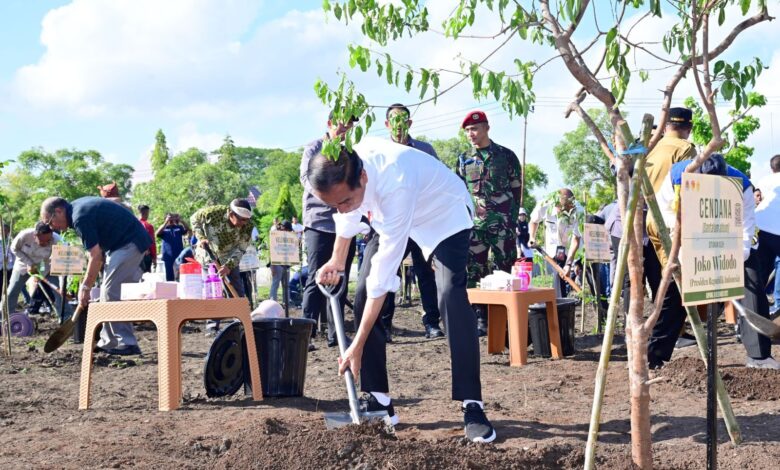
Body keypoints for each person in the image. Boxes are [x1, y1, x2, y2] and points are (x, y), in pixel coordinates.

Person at [311, 136, 496, 443]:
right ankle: (380, 401)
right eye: (334, 204)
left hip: (443, 214)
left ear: (363, 178)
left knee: (450, 294)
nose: (342, 208)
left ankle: (472, 404)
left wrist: (356, 343)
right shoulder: (345, 167)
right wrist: (337, 259)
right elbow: (346, 214)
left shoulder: (395, 181)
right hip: (393, 218)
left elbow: (383, 278)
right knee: (360, 295)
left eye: (345, 200)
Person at [656, 153, 778, 369]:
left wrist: (734, 261)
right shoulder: (676, 176)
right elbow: (662, 210)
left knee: (753, 285)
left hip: (729, 235)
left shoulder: (742, 185)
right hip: (685, 234)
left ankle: (759, 356)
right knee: (675, 290)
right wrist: (684, 242)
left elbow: (746, 228)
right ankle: (655, 356)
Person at [40, 196, 152, 355]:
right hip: (120, 246)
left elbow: (95, 255)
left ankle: (126, 343)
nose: (52, 227)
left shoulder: (80, 217)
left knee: (110, 292)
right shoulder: (77, 210)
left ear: (58, 211)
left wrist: (85, 287)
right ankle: (109, 341)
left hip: (129, 243)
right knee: (108, 293)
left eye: (50, 222)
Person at [457, 110, 522, 336]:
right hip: (474, 227)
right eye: (467, 131)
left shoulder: (506, 156)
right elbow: (458, 192)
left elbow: (516, 189)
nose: (470, 134)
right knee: (475, 271)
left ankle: (505, 318)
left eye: (474, 129)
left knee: (504, 270)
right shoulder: (463, 158)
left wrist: (511, 222)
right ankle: (480, 319)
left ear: (486, 128)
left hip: (502, 226)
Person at [382, 103, 444, 339]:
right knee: (388, 273)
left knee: (425, 273)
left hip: (421, 222)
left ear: (409, 123)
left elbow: (438, 180)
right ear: (387, 124)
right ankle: (385, 325)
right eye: (393, 120)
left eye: (403, 120)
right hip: (393, 222)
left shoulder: (424, 150)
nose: (398, 125)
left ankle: (432, 323)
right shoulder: (381, 150)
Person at [644, 107, 699, 359]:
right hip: (670, 221)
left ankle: (660, 344)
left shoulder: (651, 147)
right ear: (688, 128)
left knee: (663, 285)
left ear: (665, 126)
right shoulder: (685, 149)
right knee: (674, 287)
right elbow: (687, 189)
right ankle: (656, 353)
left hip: (648, 221)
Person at [299, 110, 358, 349]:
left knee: (340, 279)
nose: (345, 131)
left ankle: (337, 335)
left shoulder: (351, 151)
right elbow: (306, 178)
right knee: (315, 278)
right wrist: (333, 197)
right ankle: (305, 334)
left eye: (349, 127)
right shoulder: (314, 147)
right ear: (330, 124)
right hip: (318, 223)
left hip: (344, 223)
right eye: (341, 126)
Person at [528, 189, 582, 298]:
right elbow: (533, 221)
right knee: (550, 282)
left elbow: (576, 238)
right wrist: (532, 237)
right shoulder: (544, 205)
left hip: (568, 250)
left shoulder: (579, 211)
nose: (564, 212)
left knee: (563, 280)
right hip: (549, 251)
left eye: (567, 209)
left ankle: (561, 307)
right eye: (561, 209)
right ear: (555, 203)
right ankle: (551, 305)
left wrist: (568, 263)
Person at [3, 222, 63, 316]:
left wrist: (40, 274)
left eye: (48, 241)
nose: (45, 243)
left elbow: (59, 259)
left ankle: (66, 317)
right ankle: (4, 317)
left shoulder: (58, 240)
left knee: (58, 291)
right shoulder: (24, 235)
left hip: (44, 265)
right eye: (42, 241)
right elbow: (14, 248)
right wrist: (29, 263)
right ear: (35, 235)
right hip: (23, 264)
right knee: (12, 291)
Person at [755, 155, 780, 318]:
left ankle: (756, 303)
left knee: (761, 268)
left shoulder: (765, 180)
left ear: (772, 168)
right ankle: (778, 303)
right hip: (778, 229)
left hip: (761, 227)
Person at [156, 213, 190, 281]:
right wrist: (166, 222)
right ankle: (171, 289)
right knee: (169, 275)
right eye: (169, 217)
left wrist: (181, 220)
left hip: (179, 255)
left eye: (172, 217)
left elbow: (187, 229)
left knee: (180, 274)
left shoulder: (178, 227)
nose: (171, 219)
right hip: (168, 256)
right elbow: (157, 233)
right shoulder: (164, 228)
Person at [269, 220, 293, 303]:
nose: (288, 232)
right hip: (277, 263)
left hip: (286, 263)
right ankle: (272, 302)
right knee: (275, 284)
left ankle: (286, 302)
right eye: (288, 230)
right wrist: (272, 266)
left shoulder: (288, 236)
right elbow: (272, 251)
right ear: (284, 228)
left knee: (286, 285)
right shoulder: (275, 235)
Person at [137, 205, 157, 273]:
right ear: (146, 213)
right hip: (145, 255)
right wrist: (154, 257)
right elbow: (151, 243)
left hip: (134, 255)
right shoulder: (148, 226)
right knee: (146, 276)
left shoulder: (133, 223)